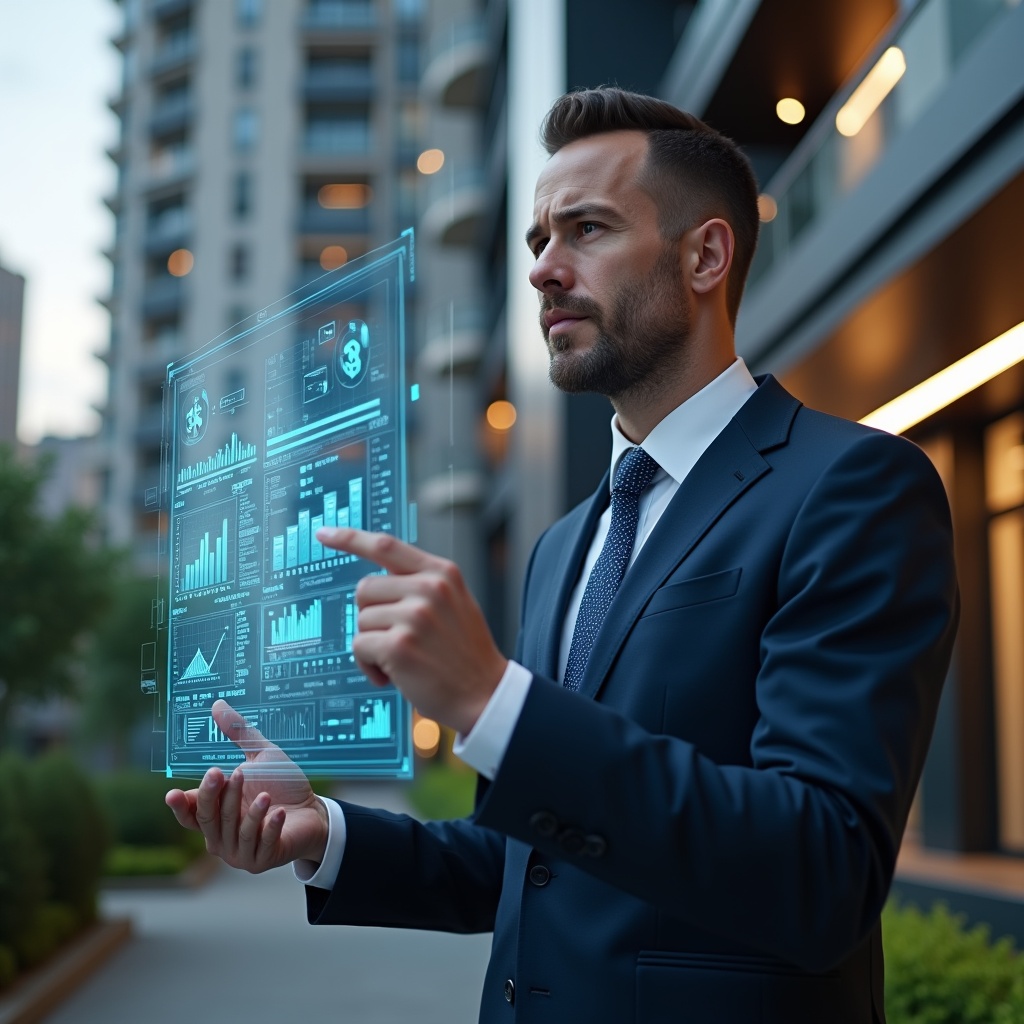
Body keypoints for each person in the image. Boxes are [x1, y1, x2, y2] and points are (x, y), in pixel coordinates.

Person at [167, 88, 958, 1023]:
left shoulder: (852, 486)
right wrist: (326, 833)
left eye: (587, 229)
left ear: (705, 256)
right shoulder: (561, 546)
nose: (543, 270)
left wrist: (491, 700)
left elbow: (822, 870)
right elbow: (531, 860)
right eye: (538, 240)